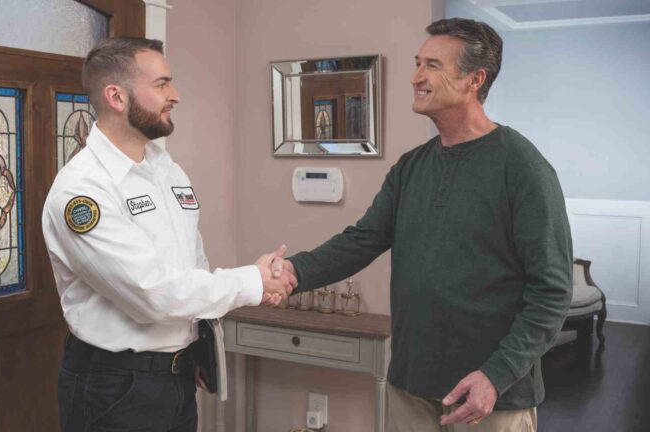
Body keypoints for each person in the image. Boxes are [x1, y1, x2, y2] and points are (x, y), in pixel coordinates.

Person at [276, 18, 572, 431]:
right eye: (418, 63)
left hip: (490, 395)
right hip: (412, 386)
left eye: (432, 65)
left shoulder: (523, 168)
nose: (416, 77)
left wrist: (496, 375)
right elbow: (362, 240)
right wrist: (294, 271)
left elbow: (553, 290)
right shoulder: (411, 167)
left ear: (475, 79)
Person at [42, 37, 295, 432]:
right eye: (162, 84)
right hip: (115, 387)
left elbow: (190, 264)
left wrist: (195, 344)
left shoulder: (165, 168)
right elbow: (152, 294)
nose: (174, 95)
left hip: (174, 377)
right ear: (116, 96)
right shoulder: (82, 192)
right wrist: (252, 282)